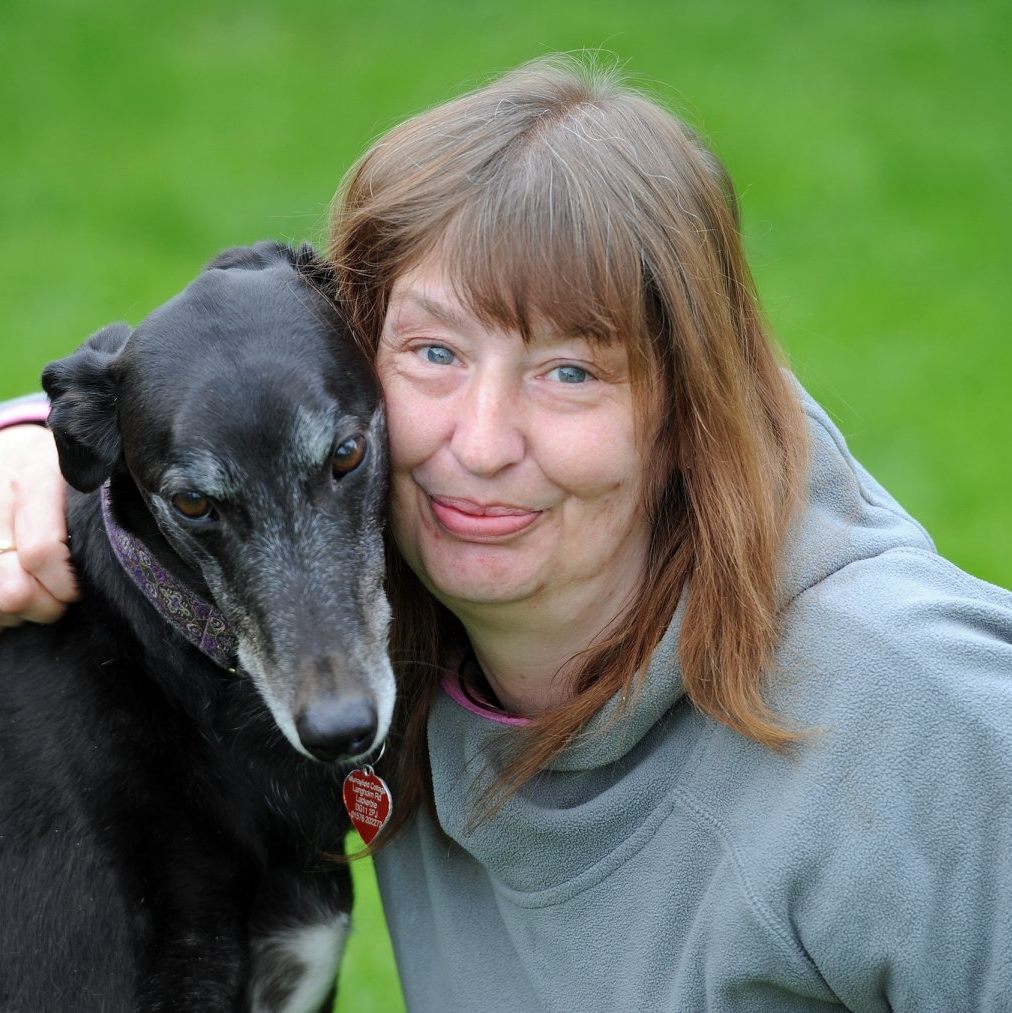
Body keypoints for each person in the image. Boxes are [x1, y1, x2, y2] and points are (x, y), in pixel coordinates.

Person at [2, 56, 1012, 1010]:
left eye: (571, 370)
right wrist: (34, 438)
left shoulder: (930, 716)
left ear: (689, 400)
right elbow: (236, 402)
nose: (480, 444)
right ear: (359, 351)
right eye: (434, 351)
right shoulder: (405, 635)